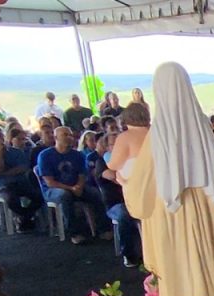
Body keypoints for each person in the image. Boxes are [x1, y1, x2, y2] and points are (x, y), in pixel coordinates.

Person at [122, 62, 214, 296]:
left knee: (182, 274)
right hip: (206, 209)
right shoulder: (202, 126)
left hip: (172, 216)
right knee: (211, 265)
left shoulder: (158, 133)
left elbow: (139, 196)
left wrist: (125, 181)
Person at [38, 127, 105, 244]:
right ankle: (74, 233)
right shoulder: (45, 155)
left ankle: (103, 228)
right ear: (56, 138)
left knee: (96, 194)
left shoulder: (78, 155)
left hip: (76, 186)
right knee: (65, 196)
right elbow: (49, 181)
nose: (69, 138)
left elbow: (82, 174)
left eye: (70, 135)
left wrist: (79, 186)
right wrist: (71, 188)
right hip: (54, 189)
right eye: (65, 135)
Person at [0, 125, 42, 230]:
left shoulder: (16, 151)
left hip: (21, 182)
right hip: (3, 186)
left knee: (39, 196)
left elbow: (23, 168)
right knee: (11, 198)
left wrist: (2, 172)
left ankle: (23, 218)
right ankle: (25, 218)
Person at [94, 133, 141, 267]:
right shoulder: (102, 162)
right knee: (124, 214)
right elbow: (113, 176)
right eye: (115, 144)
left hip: (135, 199)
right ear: (107, 147)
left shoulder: (131, 160)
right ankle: (128, 254)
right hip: (115, 204)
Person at [106, 102, 150, 186]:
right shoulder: (156, 134)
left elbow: (114, 165)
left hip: (135, 185)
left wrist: (107, 158)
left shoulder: (124, 137)